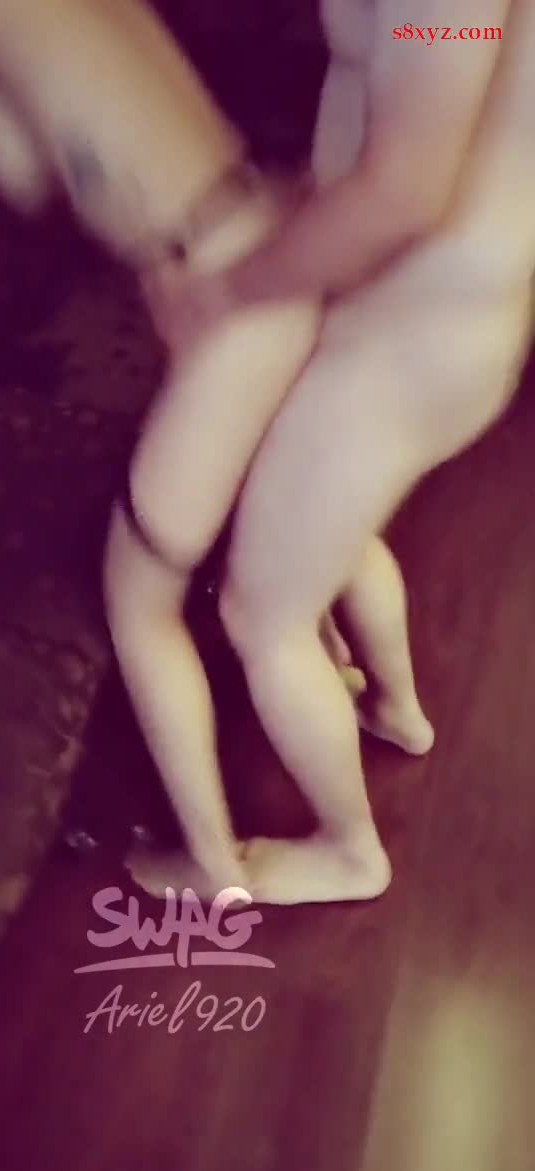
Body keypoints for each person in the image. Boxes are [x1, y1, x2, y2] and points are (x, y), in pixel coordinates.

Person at [108, 0, 525, 904]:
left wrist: (224, 293)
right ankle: (395, 709)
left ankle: (349, 854)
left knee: (263, 616)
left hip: (411, 340)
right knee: (330, 534)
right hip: (411, 314)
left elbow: (406, 193)